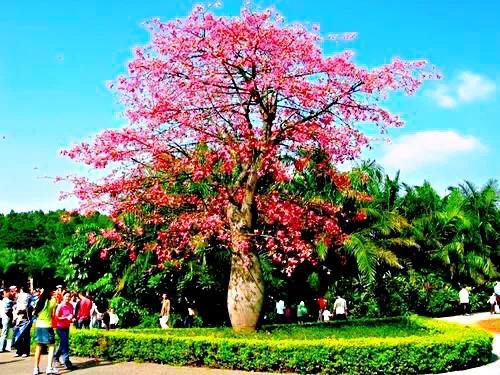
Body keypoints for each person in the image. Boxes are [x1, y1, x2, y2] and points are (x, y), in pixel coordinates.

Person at [32, 287, 58, 375]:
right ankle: (49, 368)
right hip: (47, 325)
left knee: (38, 347)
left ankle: (36, 368)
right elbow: (53, 314)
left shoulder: (39, 301)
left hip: (38, 325)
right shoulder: (52, 300)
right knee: (51, 346)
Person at [54, 291, 76, 370]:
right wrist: (65, 318)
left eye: (69, 296)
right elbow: (56, 318)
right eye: (66, 296)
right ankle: (67, 362)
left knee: (63, 343)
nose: (68, 298)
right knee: (65, 344)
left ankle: (56, 357)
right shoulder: (60, 306)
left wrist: (72, 319)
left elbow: (72, 316)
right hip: (60, 327)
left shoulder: (71, 306)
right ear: (63, 297)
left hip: (66, 327)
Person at [0, 288, 14, 352]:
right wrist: (11, 317)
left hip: (4, 317)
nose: (9, 293)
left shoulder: (3, 300)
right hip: (7, 318)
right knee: (5, 333)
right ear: (5, 293)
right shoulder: (8, 301)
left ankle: (3, 347)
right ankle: (1, 347)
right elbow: (7, 311)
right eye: (8, 292)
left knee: (5, 333)